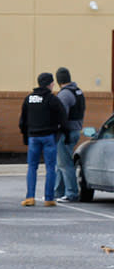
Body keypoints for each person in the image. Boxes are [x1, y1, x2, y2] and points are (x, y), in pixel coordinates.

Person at [18, 71, 67, 207]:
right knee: (51, 167)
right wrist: (63, 133)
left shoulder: (29, 99)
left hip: (33, 137)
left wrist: (25, 136)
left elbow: (22, 121)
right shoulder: (52, 99)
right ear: (49, 84)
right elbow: (62, 117)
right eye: (52, 83)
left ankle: (30, 197)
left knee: (32, 167)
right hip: (48, 137)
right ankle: (49, 199)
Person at [54, 67, 86, 203]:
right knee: (61, 163)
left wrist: (58, 131)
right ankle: (58, 192)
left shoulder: (64, 95)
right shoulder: (78, 91)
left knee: (65, 164)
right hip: (75, 130)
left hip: (66, 133)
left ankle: (71, 193)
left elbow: (61, 117)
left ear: (58, 80)